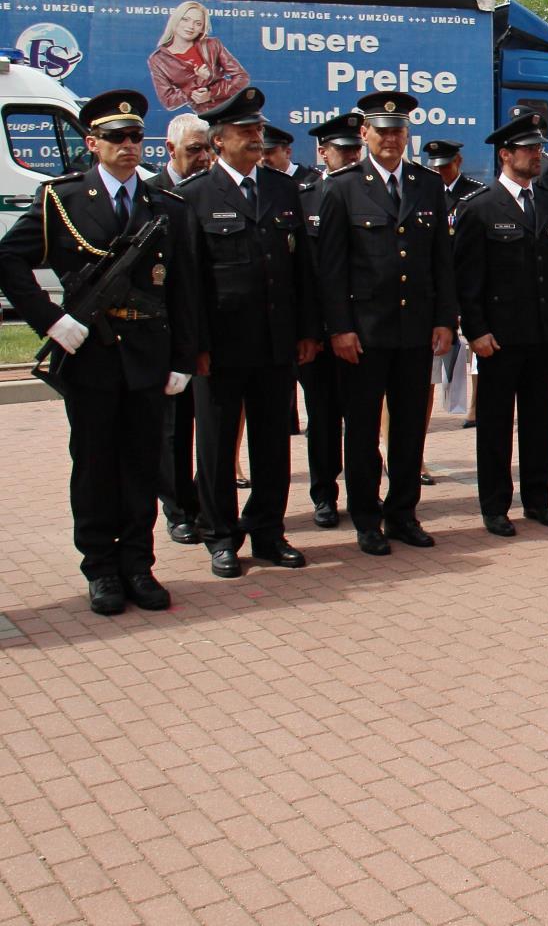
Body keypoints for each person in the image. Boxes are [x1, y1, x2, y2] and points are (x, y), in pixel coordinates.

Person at [0, 90, 195, 615]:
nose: (129, 146)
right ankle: (101, 569)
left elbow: (184, 290)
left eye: (135, 137)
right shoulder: (61, 198)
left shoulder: (166, 206)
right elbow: (8, 260)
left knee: (141, 465)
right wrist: (53, 321)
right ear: (93, 143)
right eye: (116, 138)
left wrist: (182, 358)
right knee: (93, 465)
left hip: (148, 355)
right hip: (90, 357)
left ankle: (138, 563)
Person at [184, 88, 318, 578]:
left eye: (259, 130)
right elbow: (190, 280)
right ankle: (221, 536)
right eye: (246, 132)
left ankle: (267, 530)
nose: (256, 138)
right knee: (217, 445)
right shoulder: (195, 195)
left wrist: (307, 330)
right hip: (220, 347)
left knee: (272, 442)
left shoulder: (283, 190)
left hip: (276, 341)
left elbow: (302, 267)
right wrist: (194, 344)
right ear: (219, 141)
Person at [318, 91, 457, 556]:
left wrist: (444, 320)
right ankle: (365, 517)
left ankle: (403, 513)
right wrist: (339, 327)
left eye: (399, 131)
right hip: (364, 332)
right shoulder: (342, 186)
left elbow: (441, 260)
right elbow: (332, 268)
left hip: (415, 329)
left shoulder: (426, 184)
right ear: (364, 134)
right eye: (382, 131)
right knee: (360, 430)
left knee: (409, 428)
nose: (392, 139)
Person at [454, 108, 548, 536]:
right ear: (505, 155)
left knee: (540, 420)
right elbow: (468, 278)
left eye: (539, 148)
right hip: (500, 336)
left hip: (544, 332)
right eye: (529, 149)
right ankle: (494, 505)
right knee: (494, 424)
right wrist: (475, 331)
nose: (537, 155)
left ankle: (538, 500)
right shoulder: (480, 207)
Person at [147, 112, 212, 545]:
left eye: (207, 148)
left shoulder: (211, 190)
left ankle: (208, 503)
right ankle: (178, 509)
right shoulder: (150, 195)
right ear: (170, 151)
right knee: (172, 427)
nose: (203, 157)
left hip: (207, 326)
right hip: (164, 331)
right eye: (194, 151)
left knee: (207, 424)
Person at [298, 112, 364, 528]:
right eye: (343, 150)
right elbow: (302, 272)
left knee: (361, 417)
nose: (351, 156)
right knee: (322, 419)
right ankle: (324, 494)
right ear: (322, 152)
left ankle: (364, 493)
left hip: (360, 327)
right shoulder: (302, 194)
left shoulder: (367, 192)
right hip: (319, 331)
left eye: (355, 149)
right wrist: (311, 329)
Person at [414, 139, 484, 483]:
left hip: (464, 290)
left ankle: (473, 408)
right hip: (435, 297)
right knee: (429, 378)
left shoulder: (474, 194)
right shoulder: (425, 193)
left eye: (446, 165)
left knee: (473, 358)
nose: (441, 172)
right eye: (435, 166)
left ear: (458, 160)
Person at [146, 1, 250, 112]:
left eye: (198, 23)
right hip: (206, 117)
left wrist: (211, 94)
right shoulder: (158, 59)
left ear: (202, 28)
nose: (190, 27)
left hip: (233, 109)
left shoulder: (212, 45)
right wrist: (199, 81)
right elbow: (169, 102)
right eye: (185, 20)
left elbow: (242, 77)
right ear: (175, 20)